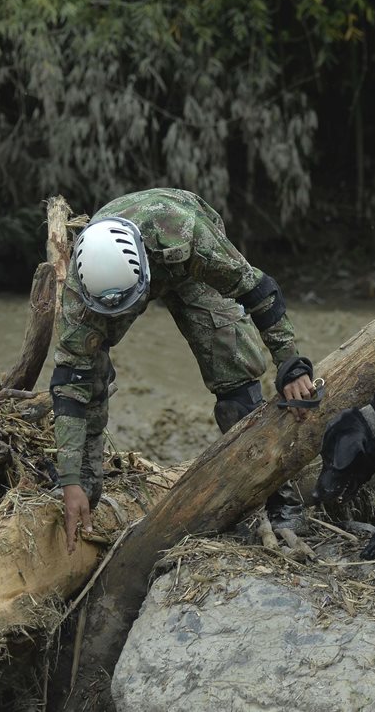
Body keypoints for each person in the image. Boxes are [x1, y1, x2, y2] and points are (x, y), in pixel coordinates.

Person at [51, 188, 318, 553]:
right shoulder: (81, 294)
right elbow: (70, 384)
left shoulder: (188, 235)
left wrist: (290, 364)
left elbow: (258, 289)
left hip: (188, 266)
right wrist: (69, 479)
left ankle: (279, 500)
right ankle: (85, 486)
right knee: (89, 375)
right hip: (117, 285)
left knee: (235, 378)